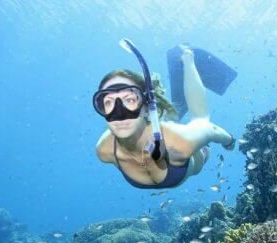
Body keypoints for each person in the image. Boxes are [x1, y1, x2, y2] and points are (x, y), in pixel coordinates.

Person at [94, 46, 236, 189]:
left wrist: (230, 140)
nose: (119, 112)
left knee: (200, 118)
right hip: (156, 127)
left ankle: (188, 58)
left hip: (191, 152)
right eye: (108, 102)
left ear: (146, 106)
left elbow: (209, 128)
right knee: (173, 112)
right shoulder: (105, 150)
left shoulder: (181, 143)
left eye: (130, 100)